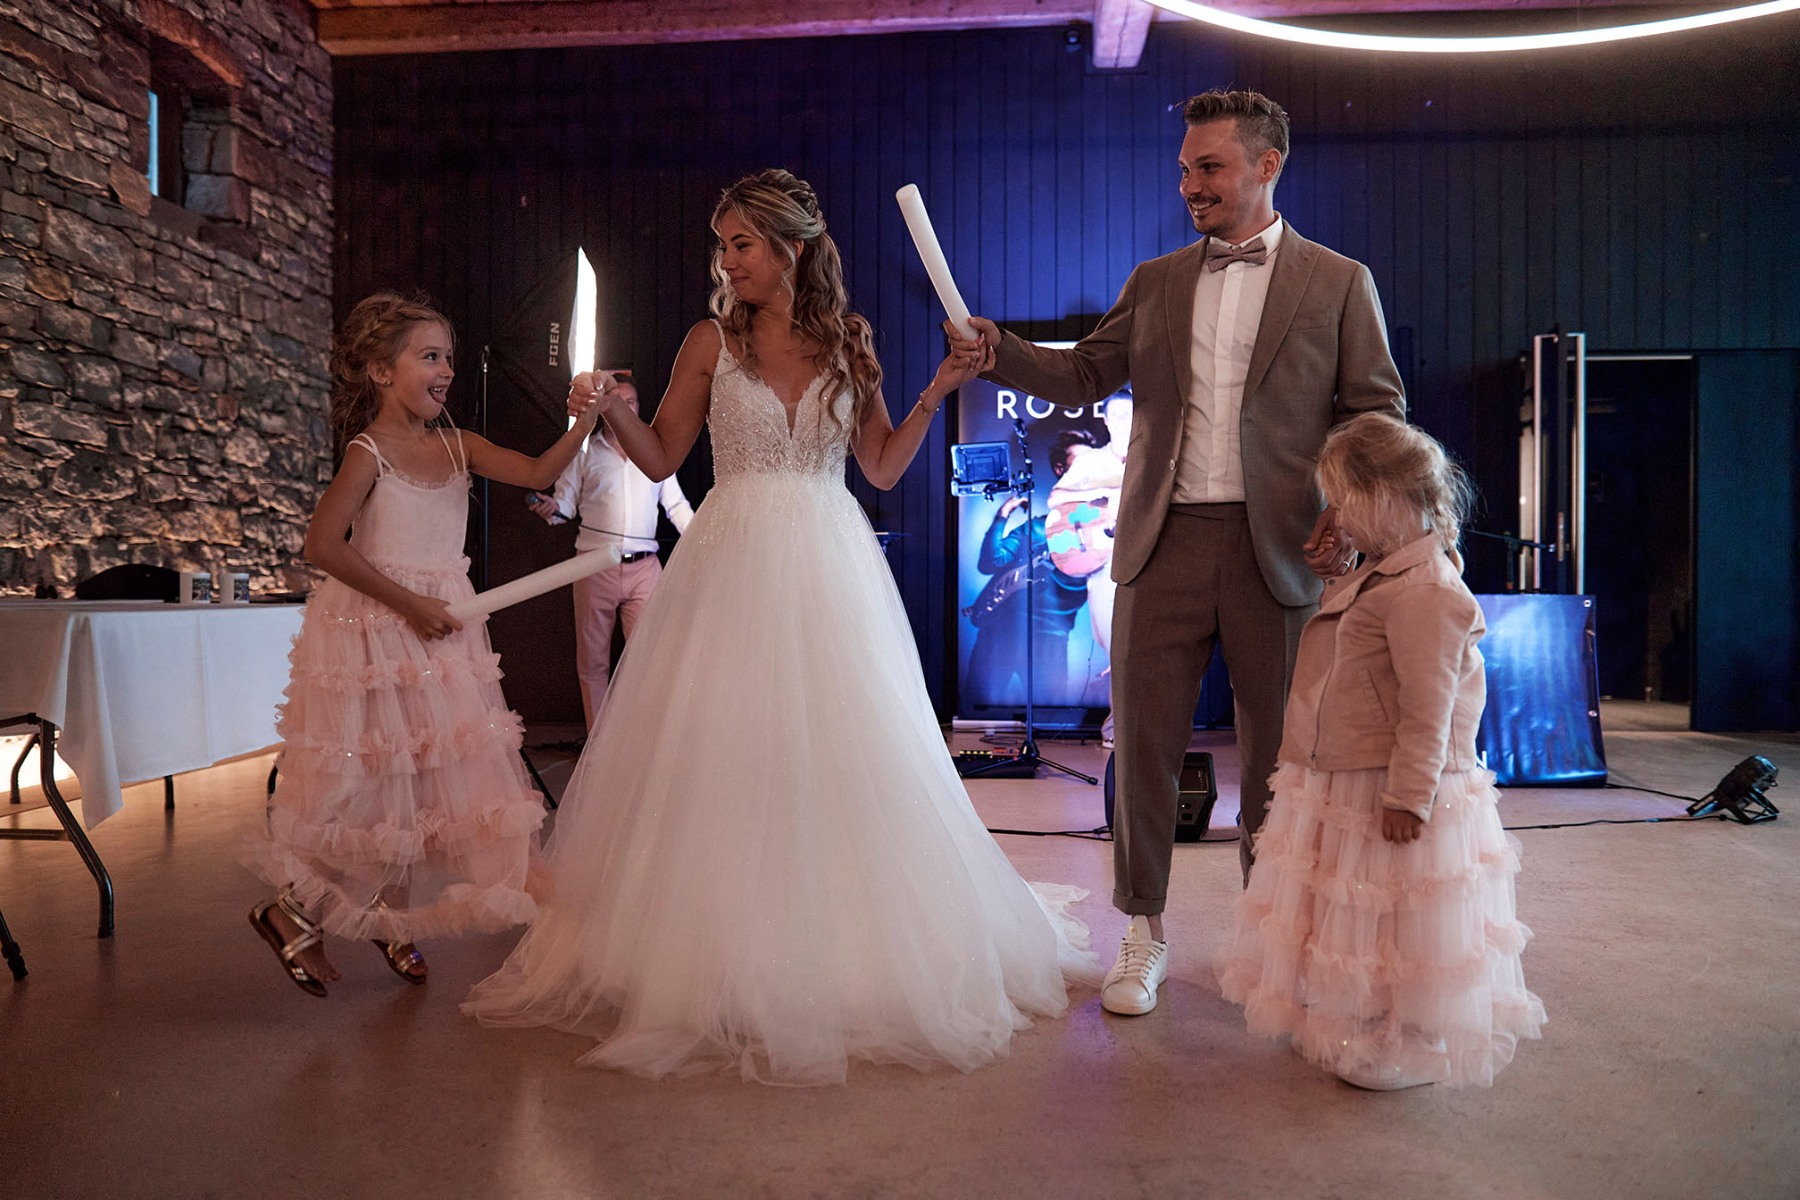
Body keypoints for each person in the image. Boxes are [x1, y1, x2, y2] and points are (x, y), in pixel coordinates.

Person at [464, 169, 1099, 1084]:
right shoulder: (709, 341)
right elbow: (662, 458)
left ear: (791, 247)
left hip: (832, 559)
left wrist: (936, 388)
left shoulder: (849, 340)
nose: (726, 262)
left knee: (844, 748)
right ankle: (716, 945)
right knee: (728, 748)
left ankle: (838, 943)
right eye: (721, 245)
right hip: (731, 559)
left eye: (741, 244)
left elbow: (880, 468)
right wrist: (607, 410)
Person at [950, 89, 1406, 1017]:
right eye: (1185, 168)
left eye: (1210, 167)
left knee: (1281, 759)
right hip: (1159, 543)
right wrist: (1000, 351)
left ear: (1267, 165)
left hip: (1284, 547)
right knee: (1144, 745)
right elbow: (1085, 370)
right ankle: (1143, 930)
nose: (1191, 184)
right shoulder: (1155, 280)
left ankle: (1274, 935)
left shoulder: (1339, 281)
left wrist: (1350, 515)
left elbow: (1376, 411)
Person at [246, 291, 600, 998]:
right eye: (429, 357)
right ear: (382, 371)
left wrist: (585, 422)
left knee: (427, 776)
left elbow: (537, 473)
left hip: (445, 627)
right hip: (380, 630)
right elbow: (323, 545)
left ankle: (392, 916)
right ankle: (290, 910)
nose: (446, 371)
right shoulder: (369, 452)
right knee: (381, 776)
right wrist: (410, 604)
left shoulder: (459, 445)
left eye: (448, 358)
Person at [1214, 413, 1546, 1089]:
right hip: (1347, 766)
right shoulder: (1386, 572)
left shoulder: (1426, 591)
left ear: (1385, 498)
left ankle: (1406, 1036)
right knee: (1360, 912)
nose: (1337, 519)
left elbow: (1431, 709)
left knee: (1401, 917)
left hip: (1389, 780)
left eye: (1344, 503)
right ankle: (1362, 1018)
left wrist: (1409, 796)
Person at [527, 378, 695, 726]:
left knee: (651, 657)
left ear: (638, 407)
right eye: (618, 401)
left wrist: (703, 540)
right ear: (605, 409)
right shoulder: (585, 452)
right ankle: (597, 742)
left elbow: (676, 506)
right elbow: (565, 505)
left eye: (631, 402)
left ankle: (643, 735)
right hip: (593, 566)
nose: (625, 408)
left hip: (645, 568)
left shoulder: (655, 452)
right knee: (593, 662)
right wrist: (551, 508)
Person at [962, 432, 1094, 709]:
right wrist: (1003, 514)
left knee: (1049, 719)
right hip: (998, 634)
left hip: (1050, 641)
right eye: (1078, 463)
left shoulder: (1101, 529)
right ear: (1059, 469)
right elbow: (989, 562)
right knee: (977, 713)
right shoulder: (1035, 527)